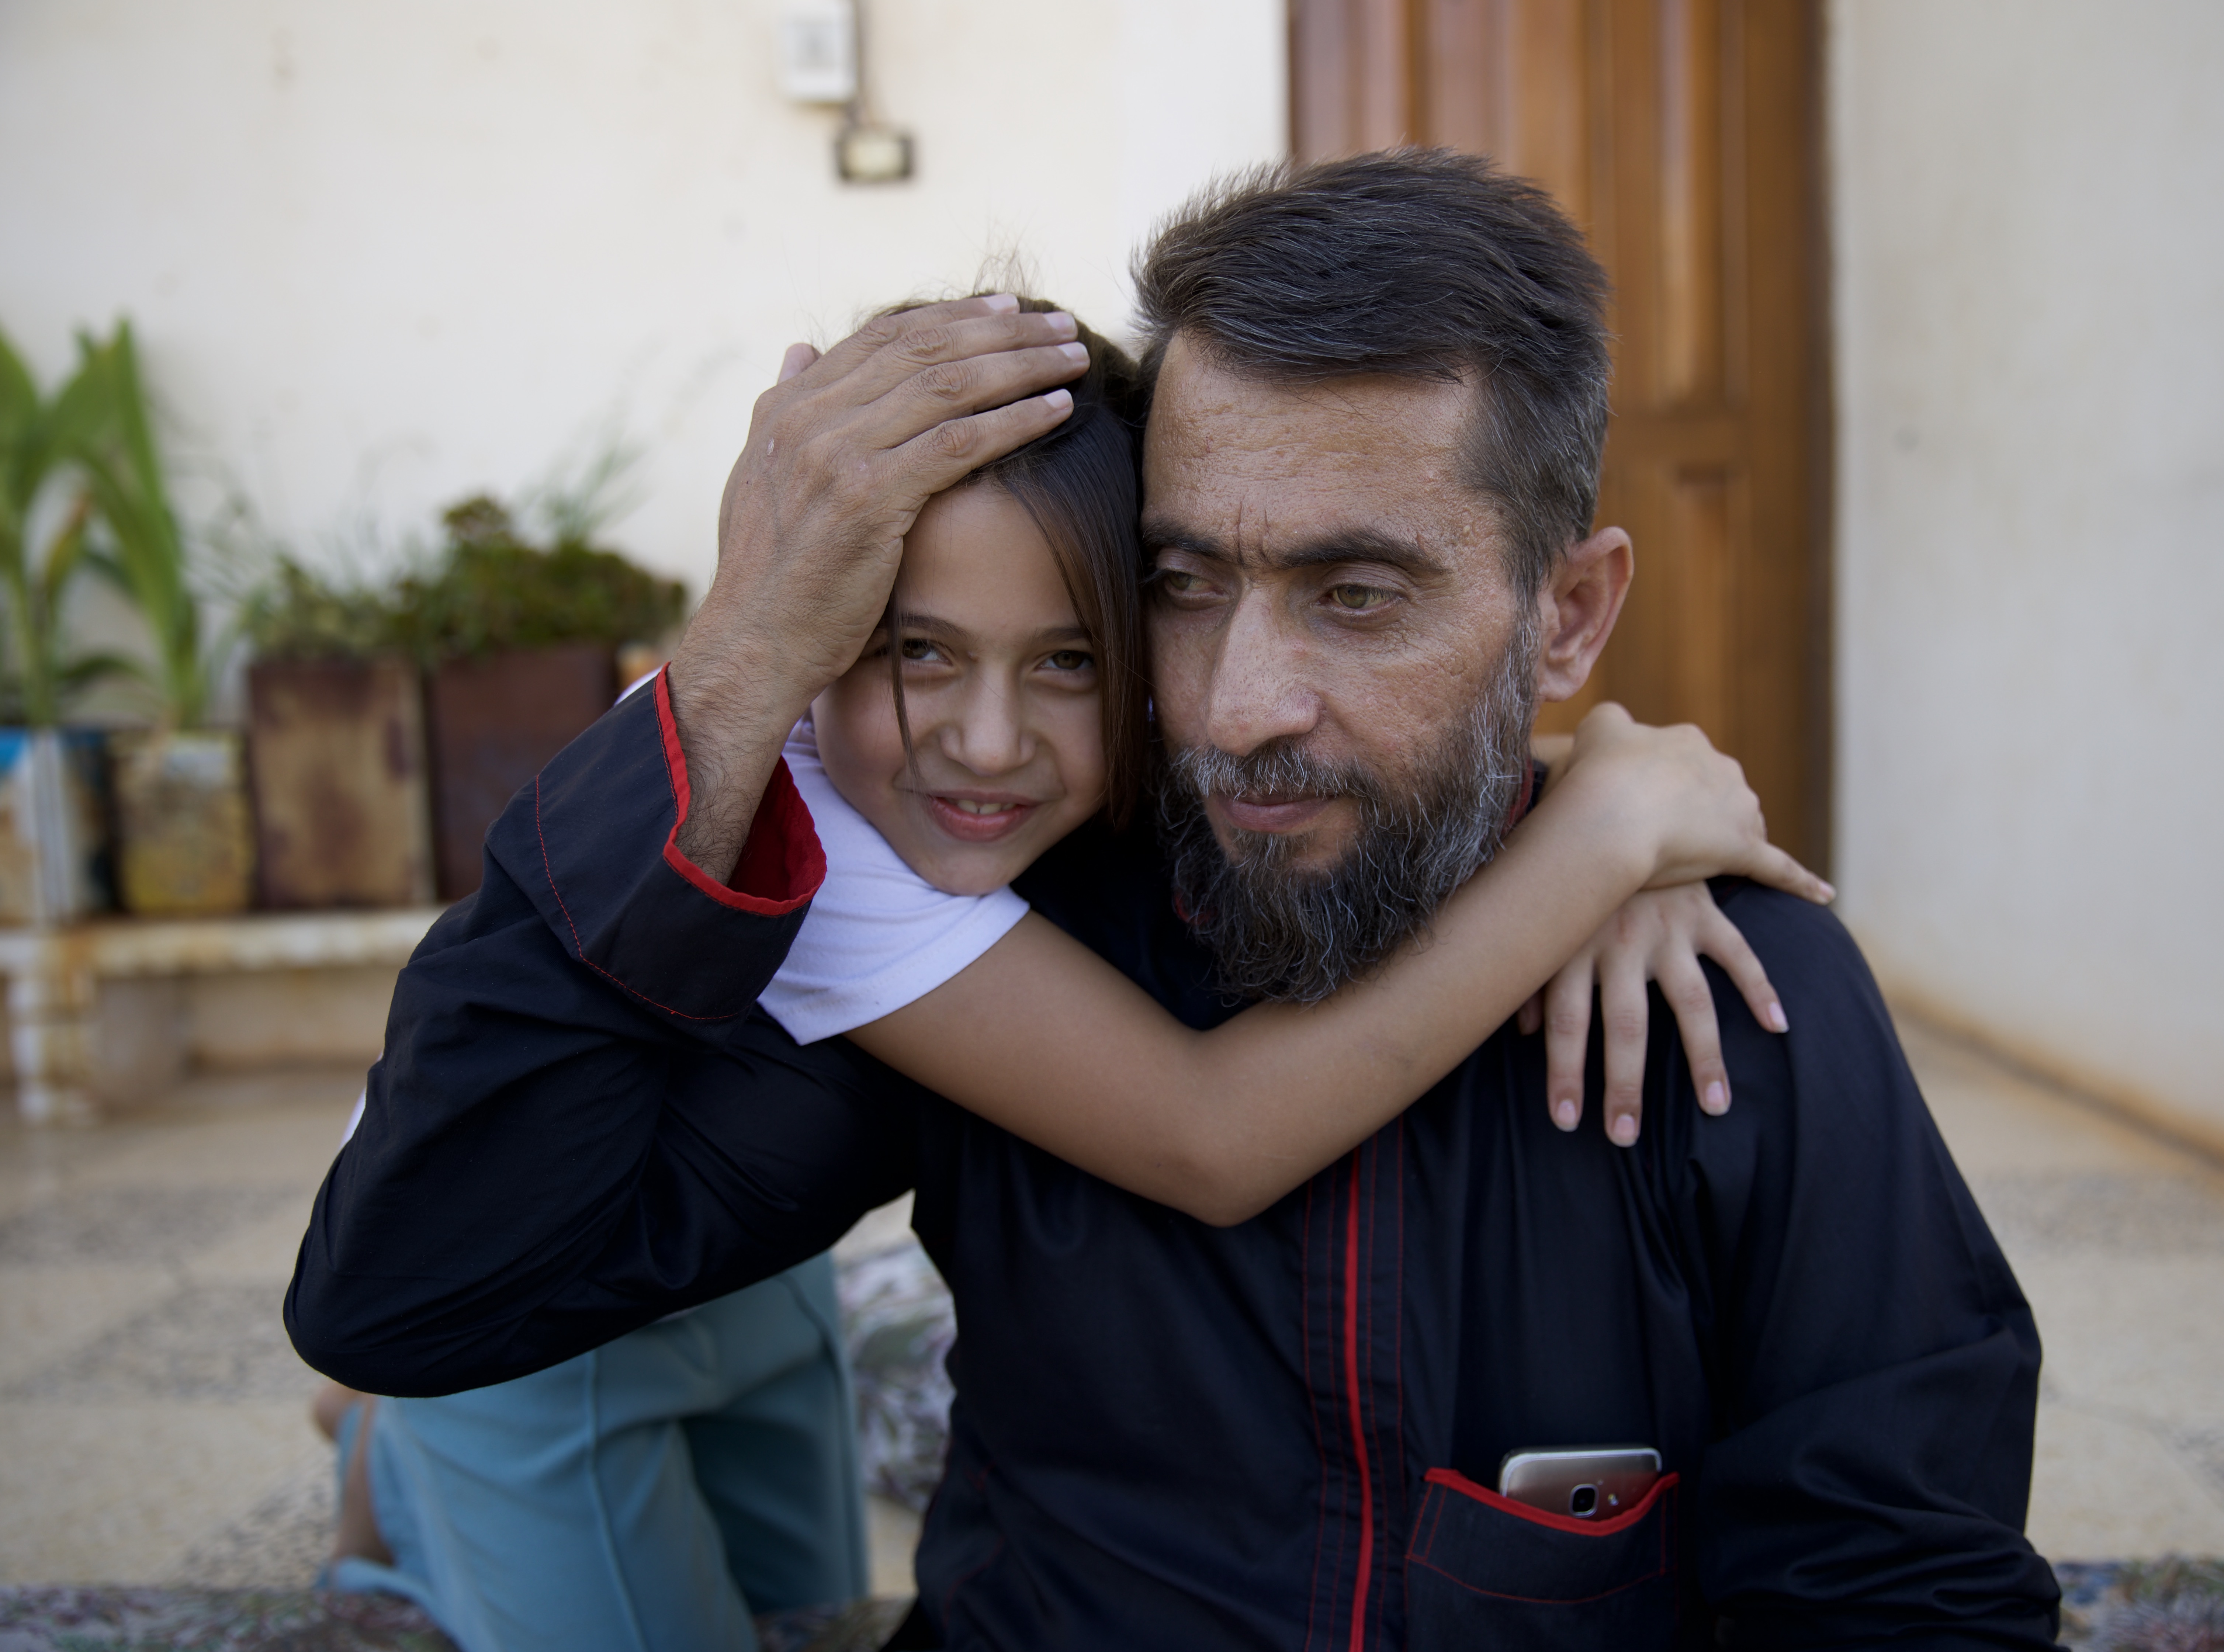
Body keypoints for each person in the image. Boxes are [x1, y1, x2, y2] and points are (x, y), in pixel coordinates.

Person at [292, 151, 2060, 1649]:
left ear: (1569, 622)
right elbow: (417, 1304)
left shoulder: (1740, 1006)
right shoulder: (1017, 913)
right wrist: (742, 661)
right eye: (1187, 587)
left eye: (1356, 594)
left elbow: (1897, 1574)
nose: (1235, 708)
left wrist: (1614, 823)